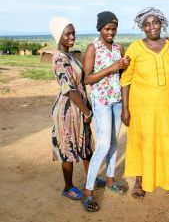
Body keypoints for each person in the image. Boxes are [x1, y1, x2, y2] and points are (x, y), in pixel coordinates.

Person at [121, 7, 169, 199]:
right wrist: (125, 109)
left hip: (166, 107)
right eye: (146, 24)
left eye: (155, 22)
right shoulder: (135, 48)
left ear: (161, 24)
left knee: (165, 141)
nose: (151, 27)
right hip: (141, 108)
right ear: (142, 27)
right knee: (141, 142)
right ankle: (140, 182)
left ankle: (167, 180)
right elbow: (126, 79)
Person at [82, 11, 130, 212]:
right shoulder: (93, 48)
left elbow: (122, 74)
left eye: (113, 28)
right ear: (99, 29)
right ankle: (88, 191)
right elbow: (87, 78)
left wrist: (122, 66)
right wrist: (112, 67)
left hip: (117, 100)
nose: (110, 32)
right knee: (102, 145)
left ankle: (110, 181)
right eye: (106, 29)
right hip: (101, 100)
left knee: (113, 143)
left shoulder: (119, 47)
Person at [49, 17, 93, 201]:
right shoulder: (59, 58)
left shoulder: (70, 56)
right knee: (68, 148)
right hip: (68, 109)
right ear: (58, 36)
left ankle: (90, 180)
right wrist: (87, 111)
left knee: (85, 146)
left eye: (73, 33)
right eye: (67, 34)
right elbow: (69, 89)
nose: (72, 36)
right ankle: (68, 187)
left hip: (80, 107)